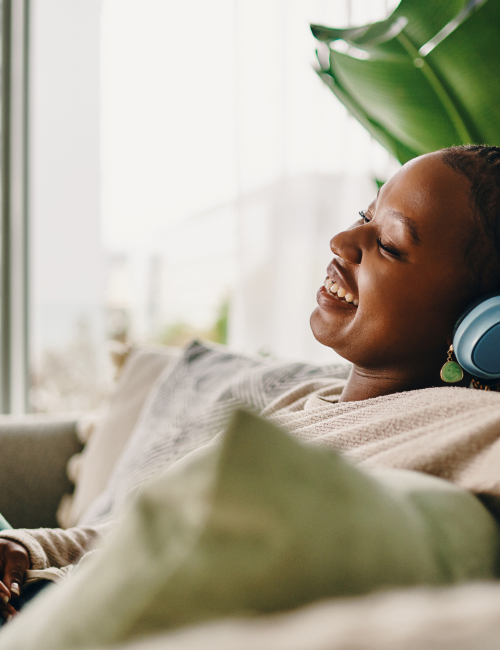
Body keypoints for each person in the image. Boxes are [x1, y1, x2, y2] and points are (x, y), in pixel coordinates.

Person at [1, 143, 500, 624]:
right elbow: (149, 528)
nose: (342, 243)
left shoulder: (467, 422)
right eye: (364, 217)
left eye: (389, 244)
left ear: (484, 325)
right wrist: (28, 548)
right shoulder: (304, 402)